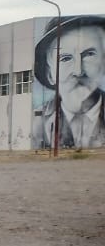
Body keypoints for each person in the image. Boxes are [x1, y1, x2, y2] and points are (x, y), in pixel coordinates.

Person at [33, 15, 105, 150]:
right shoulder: (36, 119)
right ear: (50, 75)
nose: (78, 71)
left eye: (89, 54)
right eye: (65, 58)